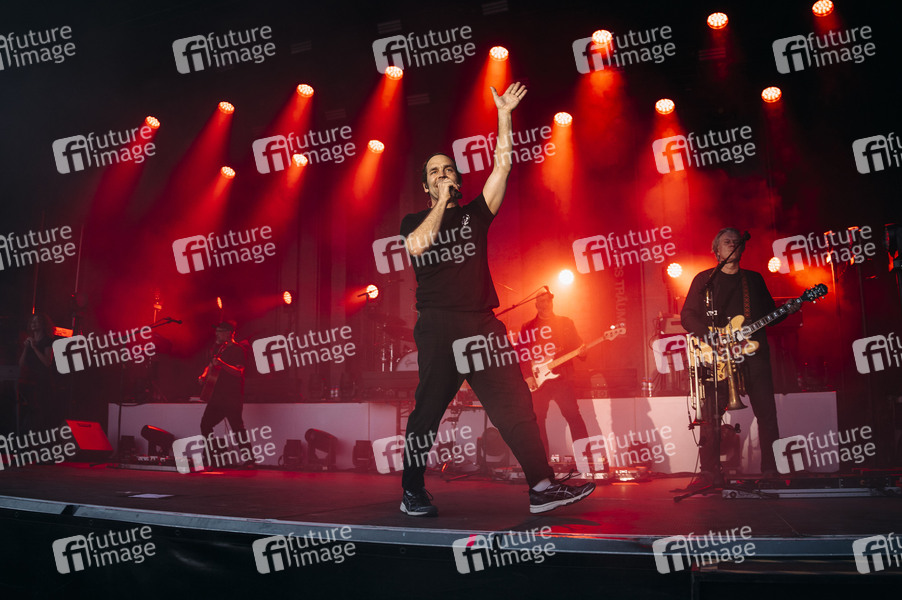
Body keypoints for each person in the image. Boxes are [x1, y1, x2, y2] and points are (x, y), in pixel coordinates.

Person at [398, 82, 595, 516]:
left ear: (458, 178)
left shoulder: (475, 214)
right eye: (434, 172)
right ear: (426, 186)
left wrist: (504, 115)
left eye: (448, 170)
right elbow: (418, 246)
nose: (443, 175)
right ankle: (412, 490)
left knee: (515, 402)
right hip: (439, 323)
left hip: (482, 325)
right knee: (427, 410)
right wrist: (440, 203)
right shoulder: (415, 220)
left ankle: (541, 485)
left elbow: (502, 166)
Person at [680, 228, 781, 479]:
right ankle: (708, 471)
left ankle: (771, 470)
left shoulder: (753, 280)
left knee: (767, 413)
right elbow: (687, 316)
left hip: (753, 356)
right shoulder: (704, 280)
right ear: (716, 250)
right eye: (727, 241)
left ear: (743, 248)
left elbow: (771, 314)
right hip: (718, 358)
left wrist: (789, 309)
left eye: (736, 241)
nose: (733, 244)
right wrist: (709, 336)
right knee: (711, 415)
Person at [519, 292, 591, 458]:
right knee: (537, 419)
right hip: (538, 379)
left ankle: (585, 458)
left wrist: (583, 352)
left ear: (552, 302)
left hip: (562, 379)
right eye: (540, 301)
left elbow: (577, 346)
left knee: (573, 416)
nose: (543, 304)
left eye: (546, 301)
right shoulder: (528, 327)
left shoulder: (565, 323)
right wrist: (528, 376)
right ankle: (541, 461)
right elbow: (521, 354)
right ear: (535, 304)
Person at [198, 321, 253, 468]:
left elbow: (239, 372)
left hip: (232, 397)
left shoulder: (238, 350)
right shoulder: (220, 349)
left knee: (237, 428)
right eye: (216, 331)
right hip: (217, 396)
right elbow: (210, 365)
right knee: (205, 425)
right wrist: (204, 375)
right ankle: (209, 456)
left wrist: (222, 364)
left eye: (219, 331)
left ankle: (250, 460)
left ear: (229, 333)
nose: (216, 334)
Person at [17, 313, 60, 432]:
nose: (33, 323)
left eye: (36, 321)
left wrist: (35, 348)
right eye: (32, 321)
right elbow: (21, 364)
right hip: (29, 381)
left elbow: (47, 362)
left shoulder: (47, 341)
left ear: (43, 324)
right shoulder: (29, 341)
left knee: (40, 413)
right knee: (28, 412)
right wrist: (26, 348)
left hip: (42, 382)